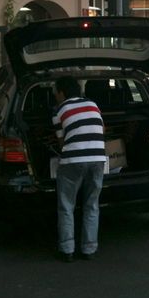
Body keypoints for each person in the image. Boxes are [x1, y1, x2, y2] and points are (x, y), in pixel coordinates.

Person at [52, 76, 107, 263]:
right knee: (92, 204)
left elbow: (61, 142)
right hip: (99, 159)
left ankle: (67, 249)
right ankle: (89, 249)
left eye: (55, 93)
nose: (55, 96)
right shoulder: (93, 105)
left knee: (67, 205)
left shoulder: (59, 110)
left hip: (73, 160)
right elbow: (102, 130)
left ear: (61, 92)